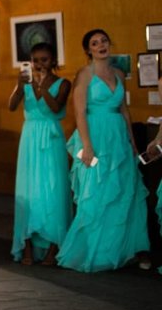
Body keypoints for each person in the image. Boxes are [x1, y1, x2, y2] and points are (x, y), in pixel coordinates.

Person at [58, 29, 150, 272]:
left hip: (118, 137)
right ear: (88, 50)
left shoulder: (119, 73)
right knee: (96, 192)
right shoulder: (85, 75)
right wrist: (87, 146)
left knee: (122, 192)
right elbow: (79, 113)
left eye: (104, 41)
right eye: (94, 43)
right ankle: (92, 252)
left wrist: (132, 143)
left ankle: (118, 250)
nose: (101, 46)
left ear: (110, 44)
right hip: (95, 136)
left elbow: (124, 110)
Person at [8, 42, 72, 265]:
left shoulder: (64, 83)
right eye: (36, 60)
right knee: (29, 189)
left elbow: (56, 108)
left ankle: (54, 248)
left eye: (45, 60)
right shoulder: (26, 82)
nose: (40, 64)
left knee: (53, 190)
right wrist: (19, 85)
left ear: (53, 61)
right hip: (30, 138)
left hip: (51, 137)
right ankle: (27, 247)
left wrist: (41, 87)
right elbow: (11, 106)